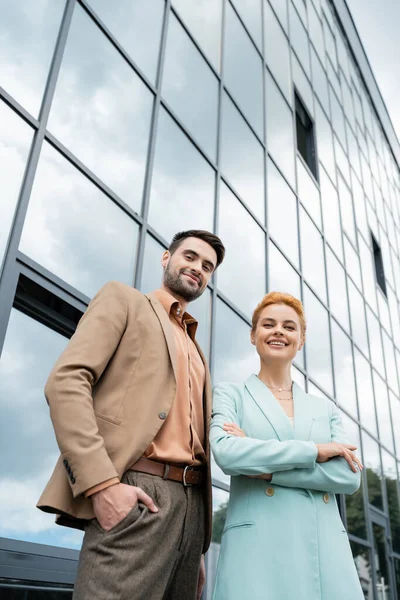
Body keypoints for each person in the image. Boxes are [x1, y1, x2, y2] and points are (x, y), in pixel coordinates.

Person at [37, 229, 225, 600]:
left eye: (207, 266)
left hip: (191, 511)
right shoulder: (123, 300)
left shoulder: (195, 348)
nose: (197, 268)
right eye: (189, 257)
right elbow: (66, 382)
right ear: (165, 258)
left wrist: (194, 541)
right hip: (138, 488)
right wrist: (102, 485)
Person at [210, 292, 364, 600]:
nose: (279, 331)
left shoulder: (326, 409)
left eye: (289, 326)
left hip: (325, 551)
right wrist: (315, 451)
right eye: (269, 324)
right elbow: (227, 453)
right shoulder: (231, 394)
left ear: (301, 340)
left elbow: (349, 478)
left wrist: (269, 472)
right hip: (257, 550)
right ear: (254, 335)